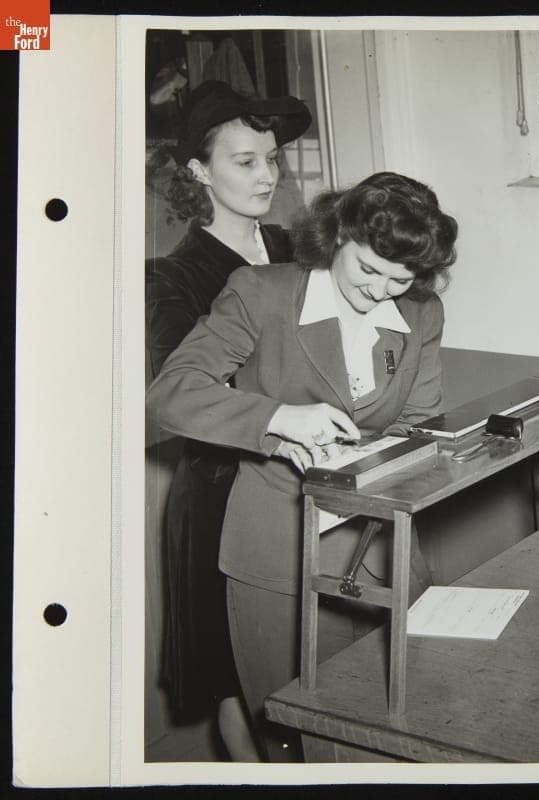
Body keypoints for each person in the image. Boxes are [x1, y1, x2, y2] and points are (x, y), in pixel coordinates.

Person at [146, 171, 458, 760]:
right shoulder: (261, 292)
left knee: (396, 730)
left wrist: (383, 452)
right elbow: (170, 393)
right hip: (277, 554)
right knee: (297, 737)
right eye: (368, 269)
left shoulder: (420, 313)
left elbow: (421, 423)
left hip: (382, 546)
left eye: (401, 279)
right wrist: (276, 419)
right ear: (338, 234)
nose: (380, 291)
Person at [146, 79, 312, 761]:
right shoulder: (174, 277)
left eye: (272, 160)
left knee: (305, 666)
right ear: (197, 172)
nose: (267, 175)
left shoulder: (293, 248)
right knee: (236, 682)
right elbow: (182, 395)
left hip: (299, 481)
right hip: (221, 492)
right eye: (245, 161)